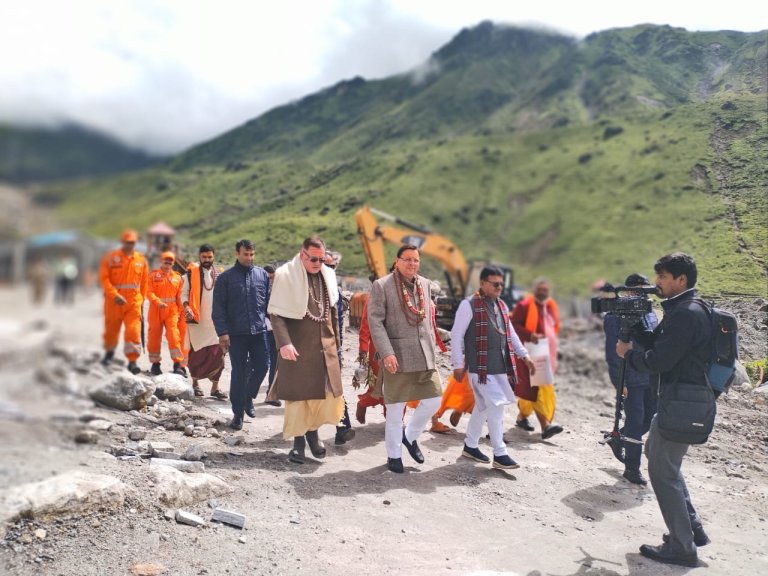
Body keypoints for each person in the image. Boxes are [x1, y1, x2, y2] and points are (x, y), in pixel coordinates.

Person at [617, 252, 711, 568]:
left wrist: (629, 356)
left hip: (682, 401)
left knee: (662, 468)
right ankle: (690, 528)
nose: (657, 282)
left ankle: (683, 545)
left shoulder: (685, 313)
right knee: (657, 453)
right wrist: (635, 322)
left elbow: (659, 361)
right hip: (681, 399)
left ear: (681, 280)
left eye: (663, 277)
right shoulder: (683, 309)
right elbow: (657, 344)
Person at [266, 236, 345, 464]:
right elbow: (276, 314)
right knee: (299, 399)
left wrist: (337, 346)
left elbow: (331, 313)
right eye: (313, 259)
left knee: (322, 397)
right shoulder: (285, 275)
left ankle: (313, 435)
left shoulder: (327, 276)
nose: (318, 263)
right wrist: (284, 343)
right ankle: (298, 444)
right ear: (302, 254)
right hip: (297, 347)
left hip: (324, 347)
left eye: (321, 259)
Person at [451, 266, 536, 469]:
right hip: (479, 370)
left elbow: (510, 334)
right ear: (482, 284)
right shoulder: (467, 305)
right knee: (496, 406)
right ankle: (500, 453)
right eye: (495, 284)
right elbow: (456, 335)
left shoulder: (502, 305)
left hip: (499, 368)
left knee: (483, 408)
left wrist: (524, 355)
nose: (499, 287)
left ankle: (471, 446)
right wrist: (457, 363)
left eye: (501, 284)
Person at [367, 244, 442, 474]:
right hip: (397, 356)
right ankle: (394, 455)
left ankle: (410, 436)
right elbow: (375, 321)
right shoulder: (382, 285)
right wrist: (386, 352)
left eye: (416, 260)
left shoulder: (426, 285)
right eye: (407, 259)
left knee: (434, 400)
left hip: (424, 355)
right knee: (395, 410)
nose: (412, 264)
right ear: (397, 261)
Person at [603, 272, 659, 485]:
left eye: (645, 291)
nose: (642, 296)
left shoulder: (650, 312)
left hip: (649, 375)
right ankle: (632, 469)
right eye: (638, 291)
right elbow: (612, 353)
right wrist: (620, 382)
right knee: (636, 421)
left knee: (650, 417)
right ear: (627, 291)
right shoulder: (614, 316)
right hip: (631, 378)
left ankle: (619, 438)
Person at [212, 239, 271, 430]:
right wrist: (222, 333)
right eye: (246, 254)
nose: (249, 258)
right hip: (236, 334)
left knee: (263, 366)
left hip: (258, 331)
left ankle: (248, 396)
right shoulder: (225, 278)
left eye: (252, 254)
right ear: (237, 253)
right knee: (239, 372)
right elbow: (218, 308)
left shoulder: (262, 275)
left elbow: (269, 304)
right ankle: (238, 414)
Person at [510, 278, 564, 440]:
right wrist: (530, 335)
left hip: (543, 352)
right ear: (534, 290)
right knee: (536, 389)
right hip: (528, 353)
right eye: (540, 289)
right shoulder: (524, 306)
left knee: (531, 390)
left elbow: (552, 329)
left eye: (545, 290)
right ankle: (545, 426)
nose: (542, 292)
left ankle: (521, 417)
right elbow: (513, 325)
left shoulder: (548, 308)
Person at [99, 229, 149, 375]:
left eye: (132, 242)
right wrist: (114, 295)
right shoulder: (111, 258)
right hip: (113, 302)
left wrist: (141, 299)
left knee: (133, 332)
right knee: (111, 330)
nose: (130, 245)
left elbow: (144, 283)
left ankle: (132, 361)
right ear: (123, 242)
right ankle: (109, 354)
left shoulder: (141, 260)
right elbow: (104, 279)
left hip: (133, 303)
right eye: (127, 242)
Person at [182, 244, 227, 399]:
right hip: (197, 323)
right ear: (199, 257)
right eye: (204, 257)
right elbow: (183, 294)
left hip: (216, 323)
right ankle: (195, 384)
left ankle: (215, 388)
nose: (207, 260)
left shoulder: (220, 274)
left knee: (219, 354)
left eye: (209, 257)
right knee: (197, 356)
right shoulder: (190, 274)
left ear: (213, 257)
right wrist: (186, 307)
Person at [325, 250, 356, 445]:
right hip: (308, 350)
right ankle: (302, 435)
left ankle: (343, 427)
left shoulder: (335, 291)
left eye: (332, 267)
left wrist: (338, 351)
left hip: (330, 349)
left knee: (335, 388)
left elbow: (340, 326)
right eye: (326, 266)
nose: (330, 270)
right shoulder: (304, 288)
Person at [147, 251, 185, 376]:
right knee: (154, 338)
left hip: (172, 311)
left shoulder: (178, 278)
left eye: (170, 260)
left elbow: (179, 297)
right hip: (156, 310)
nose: (168, 262)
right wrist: (157, 302)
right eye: (166, 260)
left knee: (174, 336)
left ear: (173, 262)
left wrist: (181, 313)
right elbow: (149, 292)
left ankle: (177, 364)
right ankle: (155, 364)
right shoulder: (153, 275)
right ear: (161, 260)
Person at [261, 264, 281, 407]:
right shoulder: (259, 289)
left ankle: (272, 393)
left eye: (272, 278)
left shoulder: (278, 288)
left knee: (276, 362)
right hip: (267, 329)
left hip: (276, 329)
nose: (271, 280)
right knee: (270, 362)